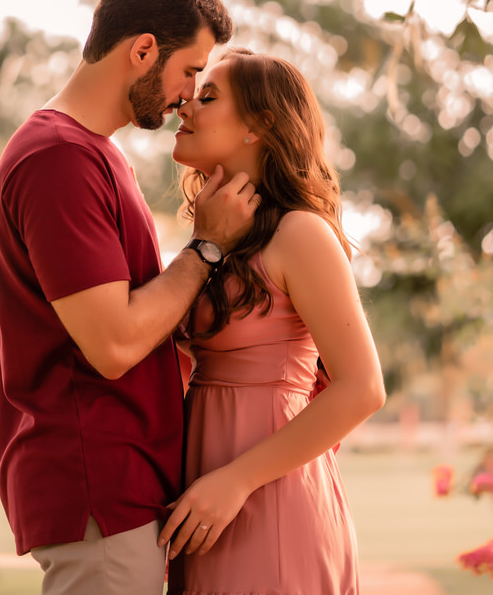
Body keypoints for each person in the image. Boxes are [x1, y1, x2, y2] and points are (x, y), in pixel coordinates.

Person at [0, 0, 261, 595]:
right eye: (190, 69)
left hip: (121, 491)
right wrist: (207, 249)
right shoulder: (58, 160)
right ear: (142, 51)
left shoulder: (94, 155)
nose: (189, 95)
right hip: (98, 491)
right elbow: (112, 345)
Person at [159, 48, 386, 595]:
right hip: (206, 506)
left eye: (209, 96)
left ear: (259, 126)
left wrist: (236, 481)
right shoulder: (218, 239)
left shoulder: (300, 233)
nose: (186, 104)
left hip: (270, 501)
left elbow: (362, 389)